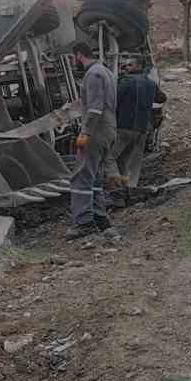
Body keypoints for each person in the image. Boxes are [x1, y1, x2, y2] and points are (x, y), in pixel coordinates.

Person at [68, 39, 118, 238]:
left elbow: (95, 109)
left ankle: (84, 222)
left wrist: (85, 133)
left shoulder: (93, 74)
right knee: (95, 177)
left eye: (74, 57)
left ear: (79, 55)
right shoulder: (106, 72)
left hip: (96, 132)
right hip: (108, 130)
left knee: (81, 176)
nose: (74, 61)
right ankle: (100, 218)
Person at [110, 56, 166, 198]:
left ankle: (116, 191)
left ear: (138, 66)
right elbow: (162, 98)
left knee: (108, 158)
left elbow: (113, 100)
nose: (125, 67)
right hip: (141, 130)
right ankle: (129, 189)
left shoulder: (126, 82)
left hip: (123, 128)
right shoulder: (150, 84)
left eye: (129, 65)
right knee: (126, 161)